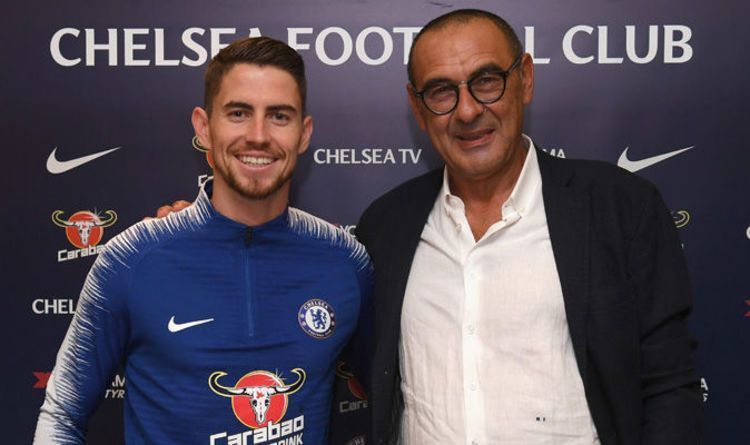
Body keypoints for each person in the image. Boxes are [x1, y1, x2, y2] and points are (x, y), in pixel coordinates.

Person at [355, 9, 702, 445]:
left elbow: (669, 386)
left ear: (525, 79)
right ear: (417, 106)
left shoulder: (622, 207)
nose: (466, 111)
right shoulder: (385, 226)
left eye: (486, 81)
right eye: (441, 91)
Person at [34, 36, 372, 445]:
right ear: (203, 127)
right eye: (238, 113)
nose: (258, 135)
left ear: (304, 133)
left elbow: (394, 392)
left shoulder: (345, 261)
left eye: (279, 116)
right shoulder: (131, 258)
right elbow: (62, 415)